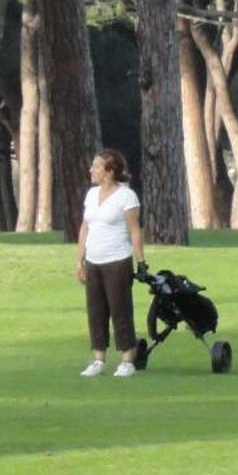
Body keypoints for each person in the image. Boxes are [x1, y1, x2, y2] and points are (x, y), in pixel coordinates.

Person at [75, 148, 146, 379]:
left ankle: (127, 359)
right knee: (96, 311)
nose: (91, 170)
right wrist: (80, 260)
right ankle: (98, 358)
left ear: (110, 171)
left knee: (120, 310)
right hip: (94, 261)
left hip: (117, 260)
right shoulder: (91, 194)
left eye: (96, 166)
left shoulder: (126, 196)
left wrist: (141, 261)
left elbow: (134, 230)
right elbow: (86, 227)